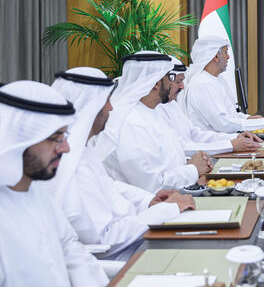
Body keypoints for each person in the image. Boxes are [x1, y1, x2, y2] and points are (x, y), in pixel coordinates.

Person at [50, 67, 196, 261]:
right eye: (106, 101)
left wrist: (149, 201)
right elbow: (106, 240)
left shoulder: (82, 151)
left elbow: (110, 186)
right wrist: (167, 209)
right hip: (125, 260)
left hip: (139, 239)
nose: (111, 107)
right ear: (90, 108)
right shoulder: (70, 164)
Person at [0, 80, 108, 287]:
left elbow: (69, 245)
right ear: (20, 141)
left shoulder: (34, 190)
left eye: (64, 137)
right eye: (55, 139)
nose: (66, 148)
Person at [102, 51, 212, 192]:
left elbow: (166, 162)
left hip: (173, 197)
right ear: (155, 82)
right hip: (146, 208)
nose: (180, 86)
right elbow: (152, 184)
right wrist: (193, 169)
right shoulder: (130, 121)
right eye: (171, 79)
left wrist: (193, 166)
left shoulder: (150, 112)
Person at [156, 58, 262, 154]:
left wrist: (235, 137)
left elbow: (195, 134)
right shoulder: (154, 111)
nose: (182, 87)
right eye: (178, 82)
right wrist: (230, 145)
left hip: (202, 158)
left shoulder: (171, 105)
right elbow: (183, 148)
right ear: (159, 83)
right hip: (197, 161)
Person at [182, 36, 264, 133]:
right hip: (214, 145)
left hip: (229, 140)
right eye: (225, 52)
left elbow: (231, 115)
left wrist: (250, 118)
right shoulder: (202, 84)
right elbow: (223, 124)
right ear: (216, 56)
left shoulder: (217, 79)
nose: (228, 57)